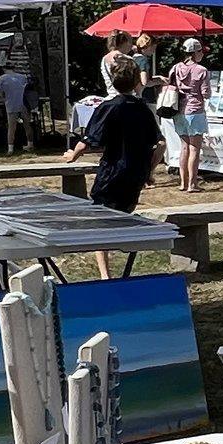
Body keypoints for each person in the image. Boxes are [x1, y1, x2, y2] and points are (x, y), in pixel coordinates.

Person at [64, 58, 160, 280]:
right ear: (136, 82)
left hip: (112, 172)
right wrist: (149, 171)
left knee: (101, 224)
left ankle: (105, 274)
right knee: (123, 215)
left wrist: (73, 155)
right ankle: (124, 261)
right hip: (136, 173)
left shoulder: (108, 107)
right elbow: (160, 144)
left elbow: (88, 140)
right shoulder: (143, 109)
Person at [167, 37, 213, 193]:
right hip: (195, 111)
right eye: (201, 52)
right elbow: (205, 93)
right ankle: (192, 184)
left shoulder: (175, 67)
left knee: (184, 148)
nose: (202, 54)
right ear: (196, 53)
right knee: (194, 149)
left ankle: (183, 183)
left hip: (178, 110)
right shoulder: (202, 70)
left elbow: (170, 85)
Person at [0, 31, 35, 153]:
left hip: (10, 104)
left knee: (11, 127)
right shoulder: (22, 77)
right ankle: (30, 144)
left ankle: (10, 148)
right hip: (22, 103)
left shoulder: (2, 78)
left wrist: (4, 98)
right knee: (27, 125)